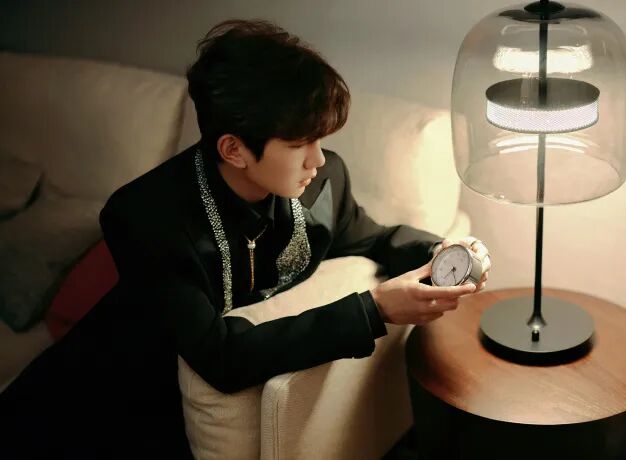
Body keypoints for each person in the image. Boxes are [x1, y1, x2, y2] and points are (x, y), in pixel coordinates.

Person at [0, 19, 489, 459]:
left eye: (319, 140)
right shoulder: (145, 218)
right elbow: (220, 357)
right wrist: (374, 310)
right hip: (102, 402)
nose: (318, 159)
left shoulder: (323, 182)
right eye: (299, 144)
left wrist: (443, 253)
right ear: (233, 149)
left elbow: (372, 239)